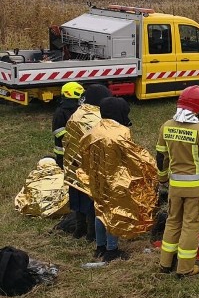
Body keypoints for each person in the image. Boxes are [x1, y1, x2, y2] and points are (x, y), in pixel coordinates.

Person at [156, 86, 199, 277]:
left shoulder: (166, 126)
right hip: (195, 189)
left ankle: (165, 263)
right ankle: (185, 268)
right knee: (191, 226)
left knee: (172, 222)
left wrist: (162, 177)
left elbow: (161, 157)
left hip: (175, 187)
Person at [80, 97, 156, 262]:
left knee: (99, 211)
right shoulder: (120, 133)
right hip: (116, 181)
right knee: (114, 214)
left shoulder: (93, 131)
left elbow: (84, 157)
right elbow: (134, 156)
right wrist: (151, 167)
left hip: (96, 180)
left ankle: (100, 247)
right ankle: (111, 250)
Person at [63, 83, 112, 241]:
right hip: (90, 168)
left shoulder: (77, 113)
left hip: (73, 165)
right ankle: (92, 234)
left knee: (77, 198)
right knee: (92, 202)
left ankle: (79, 229)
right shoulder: (96, 118)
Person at [52, 81, 83, 169]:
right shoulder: (61, 112)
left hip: (77, 151)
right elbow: (58, 131)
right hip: (63, 151)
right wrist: (73, 137)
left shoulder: (78, 109)